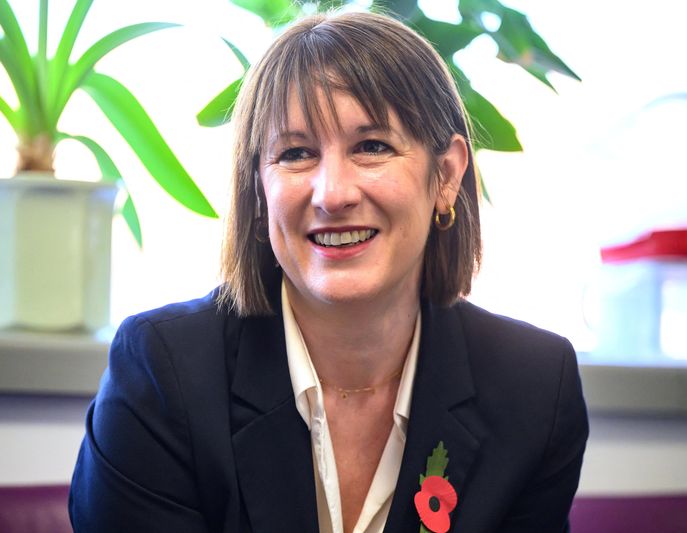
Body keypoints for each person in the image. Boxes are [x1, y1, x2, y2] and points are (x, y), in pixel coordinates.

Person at [69, 10, 588, 533]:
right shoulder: (163, 377)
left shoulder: (535, 389)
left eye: (372, 147)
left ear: (447, 176)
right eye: (296, 154)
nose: (333, 193)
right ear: (259, 190)